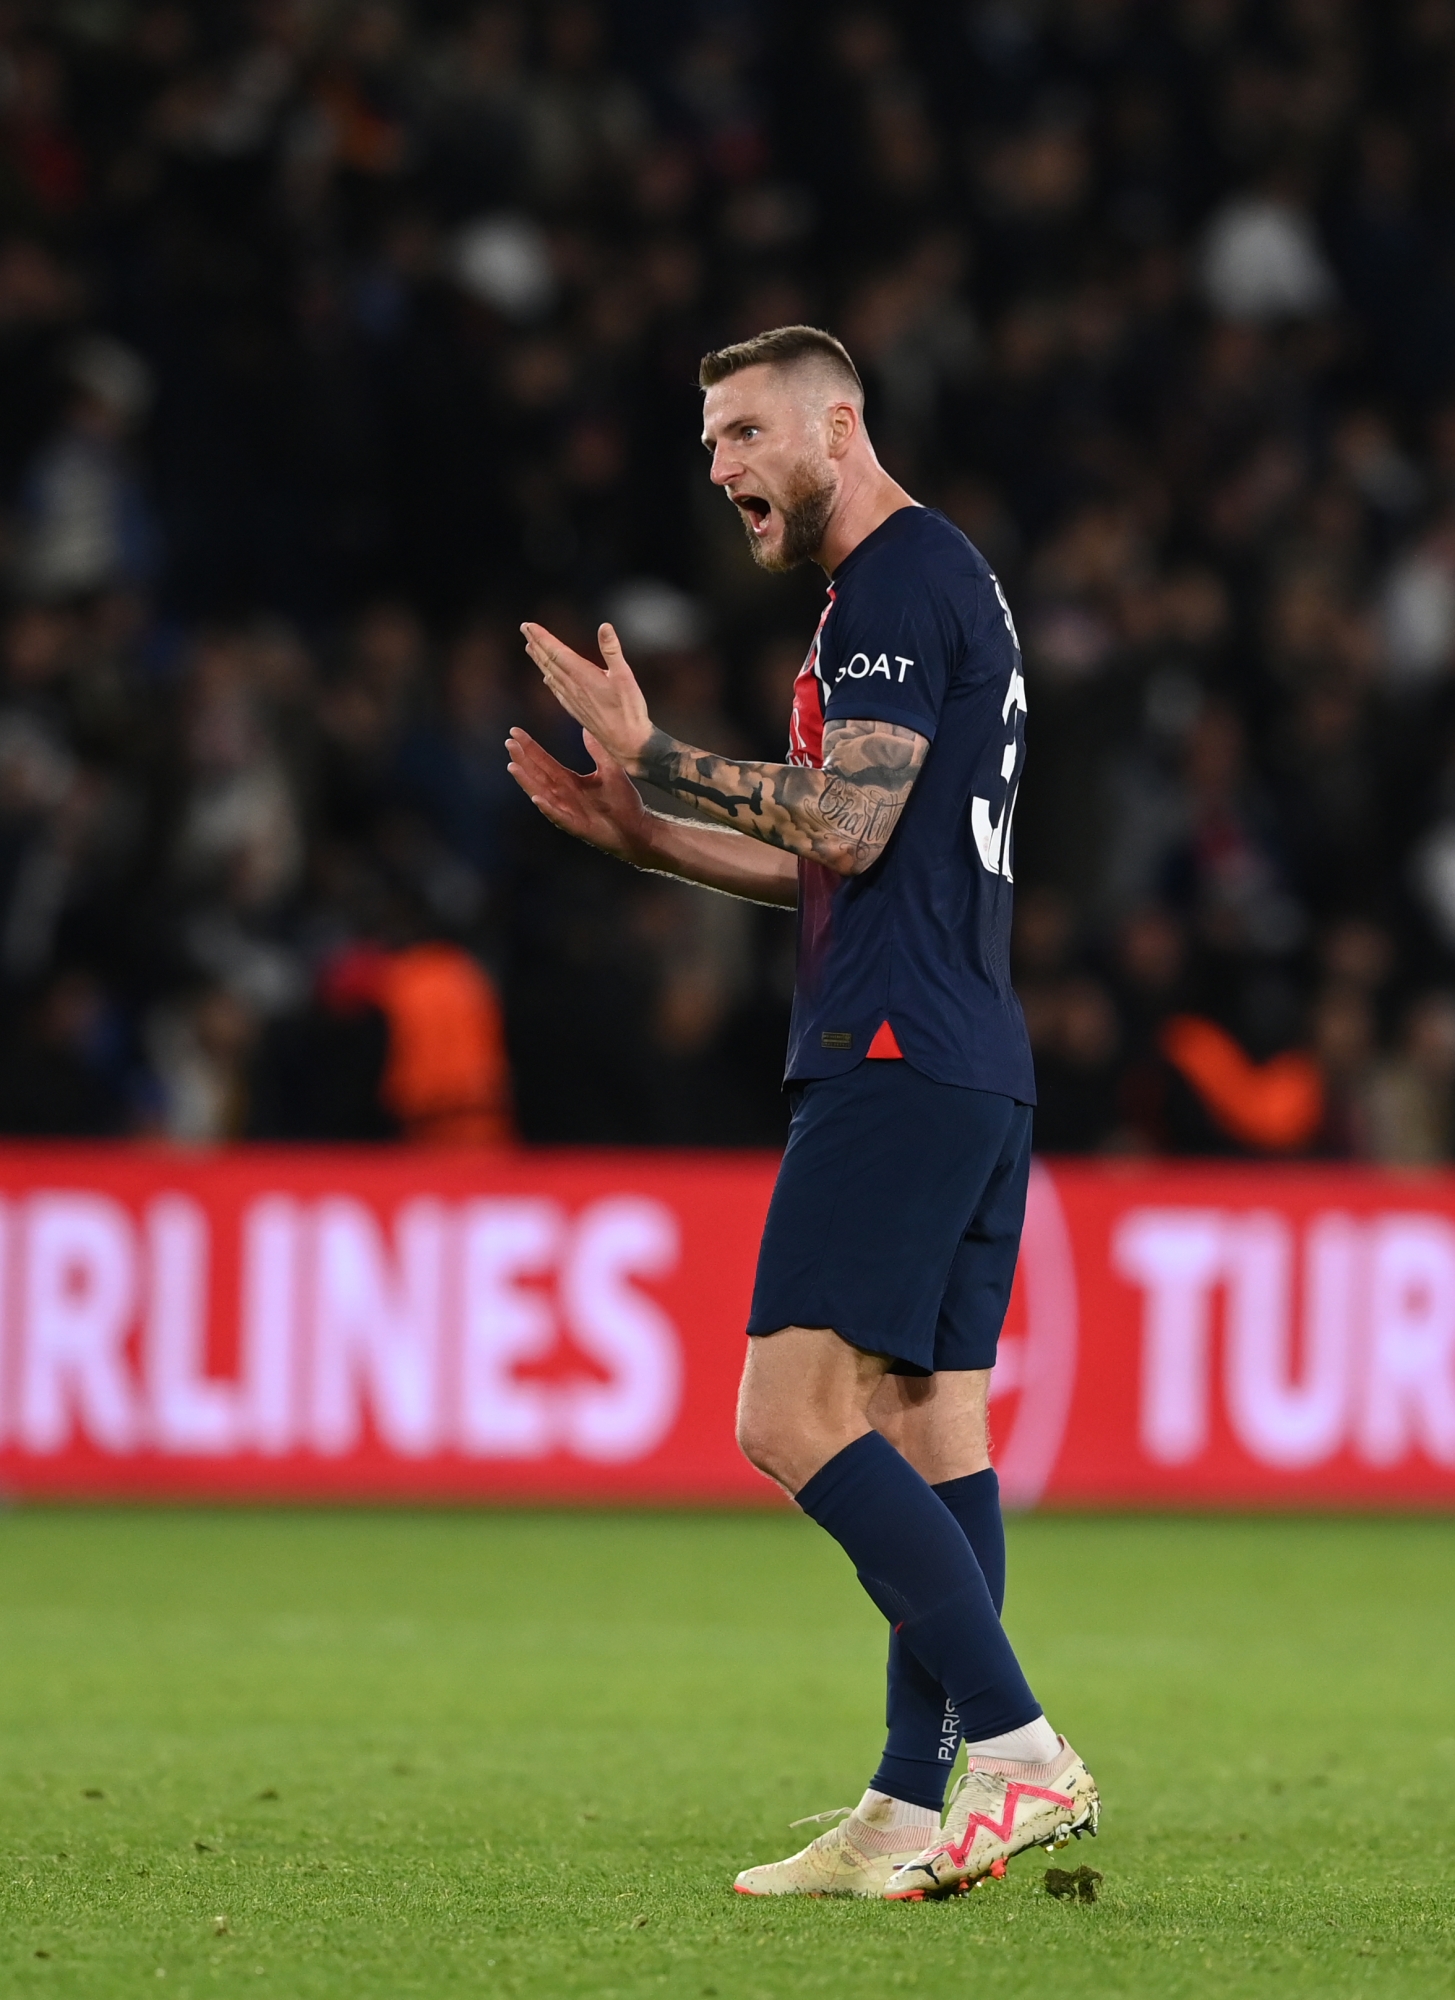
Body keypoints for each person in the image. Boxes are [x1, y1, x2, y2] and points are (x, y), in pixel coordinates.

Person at [506, 325, 1098, 1900]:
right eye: (711, 445)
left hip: (897, 1054)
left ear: (839, 421)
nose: (725, 468)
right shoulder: (911, 588)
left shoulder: (901, 579)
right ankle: (913, 1805)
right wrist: (648, 837)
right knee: (928, 1425)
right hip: (966, 1052)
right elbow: (838, 858)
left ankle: (1023, 1756)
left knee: (784, 1416)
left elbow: (848, 811)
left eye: (749, 434)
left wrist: (658, 752)